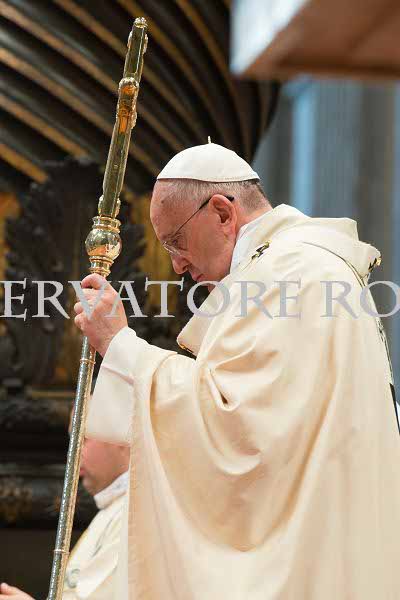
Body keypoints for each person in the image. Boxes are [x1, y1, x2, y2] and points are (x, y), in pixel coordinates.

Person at [73, 143, 400, 600]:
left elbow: (234, 426)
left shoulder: (291, 272)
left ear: (223, 213)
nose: (177, 265)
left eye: (176, 242)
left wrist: (120, 345)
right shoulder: (304, 266)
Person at [0, 423, 130, 600]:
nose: (72, 453)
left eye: (82, 439)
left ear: (122, 438)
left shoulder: (136, 514)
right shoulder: (110, 509)